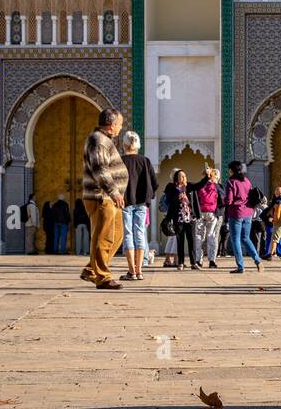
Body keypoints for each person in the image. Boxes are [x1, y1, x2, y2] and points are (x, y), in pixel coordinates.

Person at [81, 108, 129, 289]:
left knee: (116, 236)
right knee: (103, 236)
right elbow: (100, 169)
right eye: (120, 124)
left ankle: (92, 270)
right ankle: (102, 277)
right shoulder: (98, 141)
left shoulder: (104, 140)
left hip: (109, 198)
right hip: (100, 196)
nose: (120, 128)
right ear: (112, 124)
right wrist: (113, 191)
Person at [119, 131, 158, 281]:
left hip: (125, 202)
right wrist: (148, 197)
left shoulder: (120, 161)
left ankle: (131, 271)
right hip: (141, 203)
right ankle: (139, 270)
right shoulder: (145, 161)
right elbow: (154, 183)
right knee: (140, 234)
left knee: (128, 234)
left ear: (124, 144)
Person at [222, 160, 263, 273]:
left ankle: (240, 266)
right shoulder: (246, 180)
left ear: (231, 170)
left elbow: (229, 200)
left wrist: (222, 200)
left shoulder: (231, 182)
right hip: (248, 213)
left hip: (236, 213)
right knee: (245, 238)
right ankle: (257, 260)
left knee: (235, 239)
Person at [162, 170, 199, 269]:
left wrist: (207, 177)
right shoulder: (172, 188)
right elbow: (169, 202)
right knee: (180, 241)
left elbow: (199, 185)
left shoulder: (189, 186)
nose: (183, 178)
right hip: (178, 218)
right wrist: (177, 197)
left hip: (190, 218)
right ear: (176, 178)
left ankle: (193, 263)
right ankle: (180, 263)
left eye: (184, 176)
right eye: (181, 176)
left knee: (192, 241)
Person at [192, 166, 224, 269]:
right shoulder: (215, 186)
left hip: (200, 213)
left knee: (199, 237)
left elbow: (194, 199)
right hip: (212, 214)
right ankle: (212, 261)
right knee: (211, 237)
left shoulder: (200, 185)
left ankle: (198, 260)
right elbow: (223, 198)